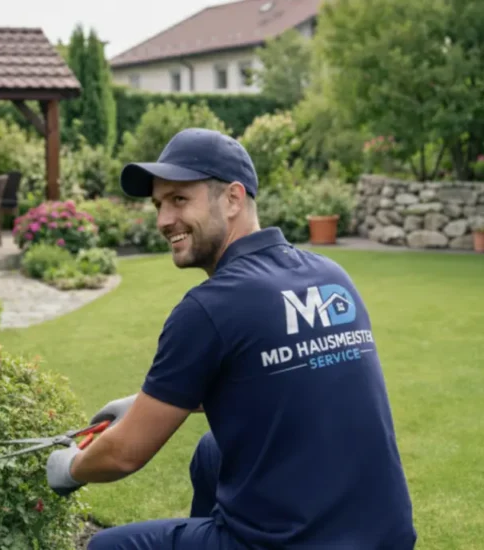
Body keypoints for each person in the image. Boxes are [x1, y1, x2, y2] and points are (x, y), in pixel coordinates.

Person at [45, 128, 417, 549]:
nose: (164, 220)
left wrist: (69, 467)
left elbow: (123, 453)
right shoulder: (330, 276)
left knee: (105, 547)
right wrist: (140, 404)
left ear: (233, 199)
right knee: (211, 453)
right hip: (386, 535)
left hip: (293, 543)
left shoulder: (208, 308)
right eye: (158, 204)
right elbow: (270, 375)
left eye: (179, 200)